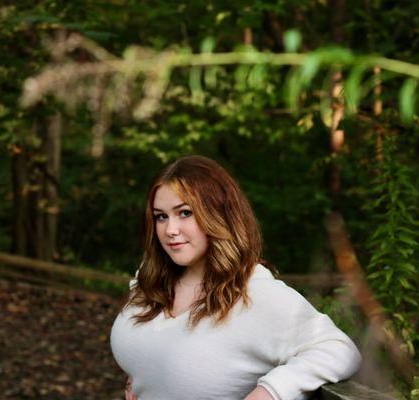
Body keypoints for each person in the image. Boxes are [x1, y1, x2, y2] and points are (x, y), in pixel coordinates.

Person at [110, 155, 362, 400]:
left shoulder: (255, 293)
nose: (170, 230)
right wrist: (145, 377)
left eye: (184, 213)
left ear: (219, 215)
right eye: (161, 216)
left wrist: (270, 392)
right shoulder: (152, 276)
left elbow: (339, 349)